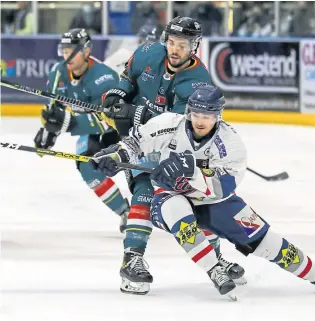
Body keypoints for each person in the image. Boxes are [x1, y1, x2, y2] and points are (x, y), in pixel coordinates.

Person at [93, 85, 315, 299]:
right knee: (175, 208)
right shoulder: (167, 124)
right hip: (170, 201)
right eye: (196, 114)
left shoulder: (231, 144)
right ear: (188, 112)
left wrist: (190, 170)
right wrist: (115, 156)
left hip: (215, 202)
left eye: (208, 115)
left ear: (218, 115)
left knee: (268, 243)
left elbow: (223, 188)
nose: (201, 120)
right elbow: (135, 142)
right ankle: (214, 268)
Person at [99, 17, 244, 294]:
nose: (175, 50)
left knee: (199, 203)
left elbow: (177, 126)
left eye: (183, 45)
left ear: (195, 47)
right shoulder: (147, 53)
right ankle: (133, 259)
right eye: (172, 43)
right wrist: (117, 98)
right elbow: (127, 80)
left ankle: (216, 258)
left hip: (177, 150)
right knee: (142, 191)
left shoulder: (198, 81)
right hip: (140, 141)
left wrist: (135, 113)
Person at [33, 28, 130, 232]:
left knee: (136, 170)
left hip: (121, 129)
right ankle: (125, 212)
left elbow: (109, 119)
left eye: (72, 50)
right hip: (92, 129)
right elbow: (55, 109)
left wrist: (69, 122)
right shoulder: (58, 73)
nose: (66, 56)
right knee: (86, 164)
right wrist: (48, 132)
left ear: (86, 51)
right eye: (64, 50)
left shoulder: (105, 78)